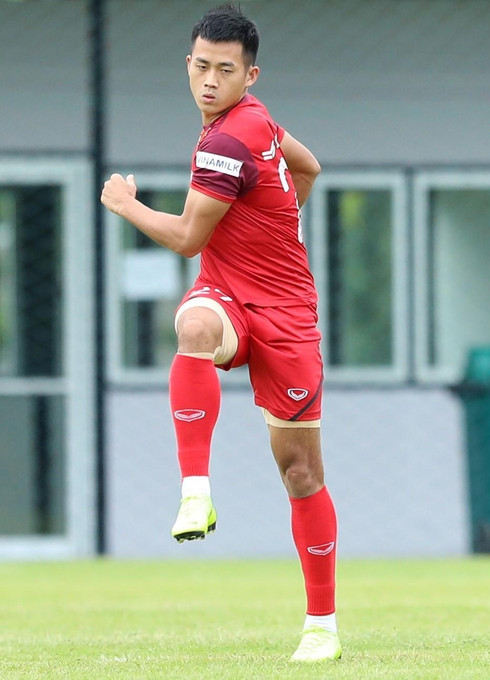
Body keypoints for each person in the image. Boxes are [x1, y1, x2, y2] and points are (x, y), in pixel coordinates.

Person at [100, 4, 340, 663]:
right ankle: (195, 491)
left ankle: (322, 624)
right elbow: (311, 167)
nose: (210, 79)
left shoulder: (227, 141)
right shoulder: (254, 122)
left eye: (225, 70)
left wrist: (125, 204)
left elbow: (184, 238)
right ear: (188, 64)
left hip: (287, 315)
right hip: (230, 295)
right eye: (201, 66)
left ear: (249, 75)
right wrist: (270, 233)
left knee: (299, 471)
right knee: (194, 323)